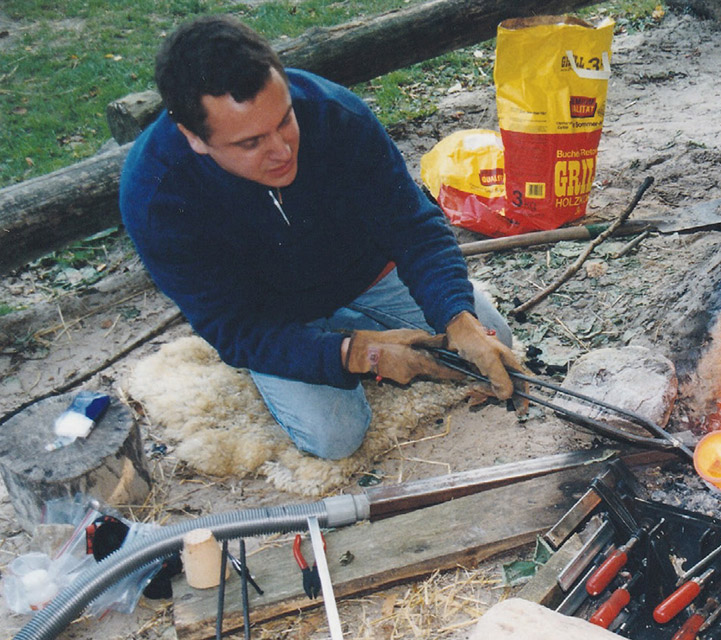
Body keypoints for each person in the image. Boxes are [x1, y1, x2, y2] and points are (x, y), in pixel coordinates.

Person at [120, 14, 524, 460]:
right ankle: (331, 340)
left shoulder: (335, 113)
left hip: (365, 274)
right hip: (271, 315)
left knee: (493, 340)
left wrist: (457, 320)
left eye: (285, 119)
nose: (282, 149)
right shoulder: (155, 196)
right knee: (335, 436)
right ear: (194, 138)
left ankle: (353, 330)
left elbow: (413, 225)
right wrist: (358, 354)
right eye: (251, 143)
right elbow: (233, 329)